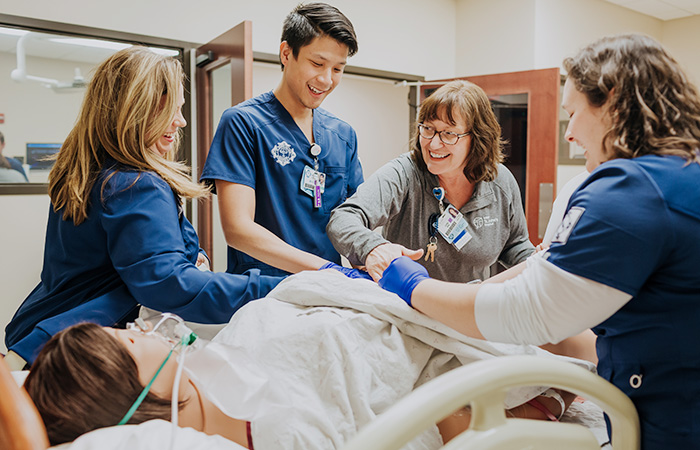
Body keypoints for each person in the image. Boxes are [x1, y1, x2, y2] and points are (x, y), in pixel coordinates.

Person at [377, 34, 700, 450]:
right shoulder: (680, 176)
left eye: (573, 114)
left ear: (614, 101)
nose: (569, 135)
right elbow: (551, 281)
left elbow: (529, 310)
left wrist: (412, 286)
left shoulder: (629, 192)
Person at [3, 47, 286, 370]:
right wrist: (281, 286)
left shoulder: (86, 172)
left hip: (39, 334)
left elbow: (134, 259)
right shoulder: (134, 185)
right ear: (136, 110)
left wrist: (189, 254)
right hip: (77, 352)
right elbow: (170, 285)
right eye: (173, 110)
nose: (180, 122)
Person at [24, 289, 580, 448]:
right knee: (548, 350)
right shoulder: (286, 432)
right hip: (375, 349)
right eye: (128, 338)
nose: (142, 329)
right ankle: (550, 396)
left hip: (328, 314)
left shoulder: (203, 371)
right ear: (143, 390)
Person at [200, 2, 364, 277]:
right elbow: (238, 230)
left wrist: (373, 259)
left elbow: (355, 221)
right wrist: (324, 269)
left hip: (328, 295)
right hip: (264, 293)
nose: (326, 79)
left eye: (338, 69)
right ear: (286, 53)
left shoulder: (342, 135)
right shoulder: (243, 123)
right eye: (317, 63)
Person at [327, 80, 534, 282]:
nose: (434, 144)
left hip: (466, 308)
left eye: (448, 134)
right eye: (428, 129)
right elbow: (343, 218)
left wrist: (540, 263)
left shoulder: (500, 181)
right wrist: (372, 247)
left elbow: (514, 245)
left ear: (478, 138)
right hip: (407, 309)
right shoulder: (405, 173)